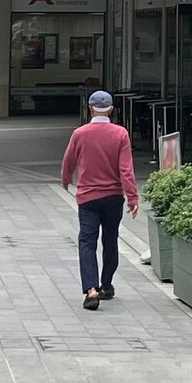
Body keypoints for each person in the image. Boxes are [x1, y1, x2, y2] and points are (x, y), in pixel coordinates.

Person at [61, 90, 138, 311]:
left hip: (87, 197)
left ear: (90, 108)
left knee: (87, 241)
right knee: (111, 239)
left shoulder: (80, 134)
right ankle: (106, 285)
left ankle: (91, 289)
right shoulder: (120, 134)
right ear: (111, 109)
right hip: (113, 197)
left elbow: (69, 161)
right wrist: (132, 197)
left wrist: (66, 180)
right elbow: (126, 170)